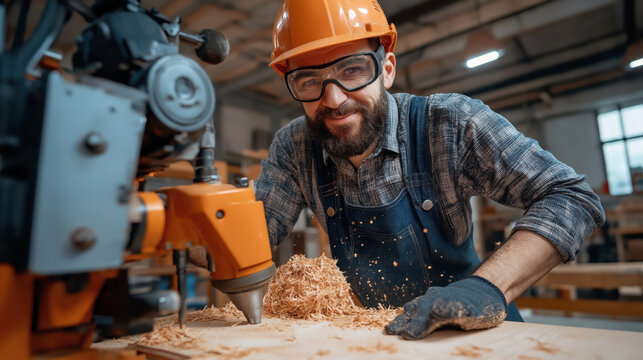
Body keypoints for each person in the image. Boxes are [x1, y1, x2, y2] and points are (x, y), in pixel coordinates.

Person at [255, 0, 605, 339]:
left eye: (352, 70)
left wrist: (486, 288)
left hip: (473, 337)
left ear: (387, 69)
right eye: (309, 81)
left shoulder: (450, 124)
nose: (333, 99)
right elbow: (252, 236)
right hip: (379, 339)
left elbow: (571, 196)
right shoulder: (295, 147)